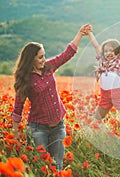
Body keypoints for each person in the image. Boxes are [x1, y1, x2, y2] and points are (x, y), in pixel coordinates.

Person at [11, 23, 91, 171]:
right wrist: (16, 133)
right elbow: (18, 107)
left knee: (58, 166)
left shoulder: (49, 67)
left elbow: (67, 54)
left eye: (44, 56)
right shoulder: (25, 79)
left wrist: (80, 33)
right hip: (38, 129)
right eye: (40, 57)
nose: (43, 59)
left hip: (58, 126)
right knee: (42, 167)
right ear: (31, 59)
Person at [87, 21, 120, 122]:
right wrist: (89, 33)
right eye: (106, 51)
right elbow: (96, 46)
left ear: (116, 51)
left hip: (117, 94)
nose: (108, 53)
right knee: (97, 119)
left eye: (111, 50)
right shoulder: (102, 60)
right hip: (105, 95)